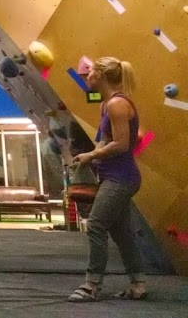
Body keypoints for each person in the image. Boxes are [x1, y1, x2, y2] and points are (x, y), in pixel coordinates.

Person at [67, 57, 146, 303]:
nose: (86, 76)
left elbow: (121, 145)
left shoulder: (117, 105)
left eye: (89, 72)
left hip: (122, 177)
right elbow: (104, 141)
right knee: (122, 234)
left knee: (96, 225)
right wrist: (91, 158)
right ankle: (138, 285)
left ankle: (92, 285)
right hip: (112, 176)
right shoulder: (106, 105)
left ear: (100, 75)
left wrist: (91, 154)